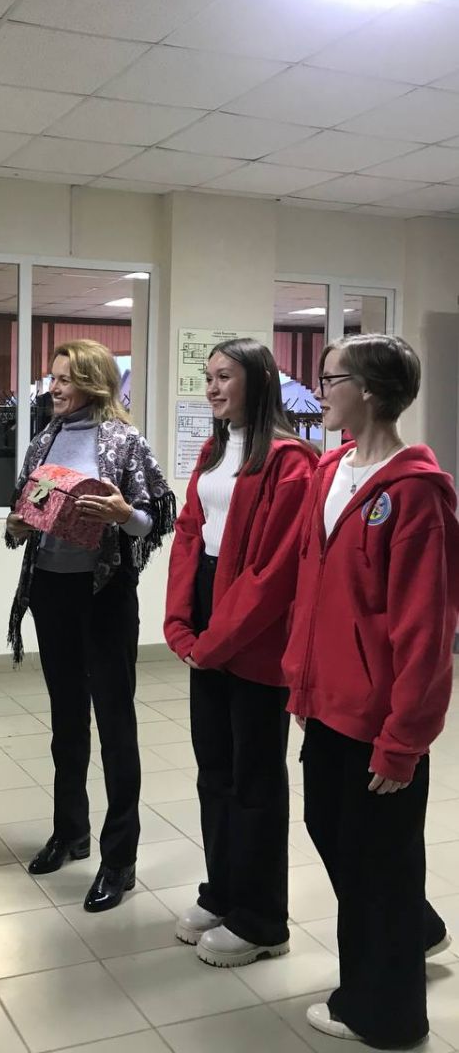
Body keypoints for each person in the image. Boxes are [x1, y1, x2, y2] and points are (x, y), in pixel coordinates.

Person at [284, 333, 459, 1048]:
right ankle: (410, 930)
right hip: (327, 702)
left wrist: (403, 741)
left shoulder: (416, 493)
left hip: (380, 718)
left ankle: (385, 1014)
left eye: (331, 379)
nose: (319, 391)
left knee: (378, 862)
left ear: (371, 391)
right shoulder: (331, 470)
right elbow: (313, 589)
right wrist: (302, 684)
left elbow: (426, 629)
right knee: (332, 831)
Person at [5, 339, 176, 912]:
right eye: (52, 378)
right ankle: (70, 831)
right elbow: (23, 513)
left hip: (103, 594)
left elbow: (153, 519)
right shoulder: (43, 441)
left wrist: (125, 515)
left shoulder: (125, 441)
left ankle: (119, 857)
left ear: (93, 383)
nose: (53, 388)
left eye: (64, 380)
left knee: (115, 723)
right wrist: (18, 525)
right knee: (66, 719)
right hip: (50, 590)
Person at [164, 338, 318, 967]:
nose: (212, 388)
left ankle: (262, 920)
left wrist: (215, 641)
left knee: (255, 779)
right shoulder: (214, 449)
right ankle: (223, 891)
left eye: (224, 376)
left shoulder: (290, 460)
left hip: (254, 635)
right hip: (209, 614)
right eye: (208, 377)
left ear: (258, 380)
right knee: (215, 770)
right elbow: (189, 534)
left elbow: (274, 573)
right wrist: (181, 624)